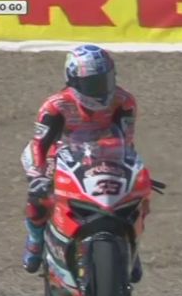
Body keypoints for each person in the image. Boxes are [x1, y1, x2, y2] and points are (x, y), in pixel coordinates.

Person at [19, 44, 143, 283]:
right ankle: (35, 238)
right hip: (60, 153)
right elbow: (40, 144)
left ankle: (131, 244)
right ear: (73, 81)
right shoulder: (55, 105)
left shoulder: (124, 102)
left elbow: (127, 141)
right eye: (92, 84)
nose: (101, 89)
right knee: (39, 196)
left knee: (134, 197)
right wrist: (39, 174)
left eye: (105, 81)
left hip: (106, 151)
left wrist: (132, 168)